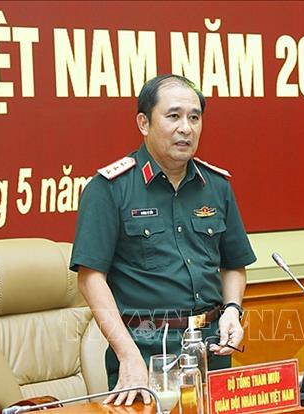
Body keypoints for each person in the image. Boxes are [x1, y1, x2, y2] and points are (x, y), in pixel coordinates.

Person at [70, 74, 256, 406]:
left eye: (194, 117)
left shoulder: (217, 186)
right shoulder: (109, 188)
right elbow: (90, 279)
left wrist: (232, 310)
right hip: (145, 353)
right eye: (173, 116)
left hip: (212, 349)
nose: (186, 128)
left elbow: (233, 265)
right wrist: (127, 355)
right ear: (144, 123)